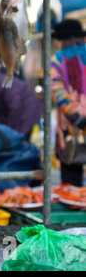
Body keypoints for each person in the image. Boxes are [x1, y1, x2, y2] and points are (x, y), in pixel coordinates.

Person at [51, 19, 86, 187]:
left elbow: (58, 92)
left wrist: (75, 115)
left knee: (71, 187)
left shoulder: (56, 61)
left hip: (69, 131)